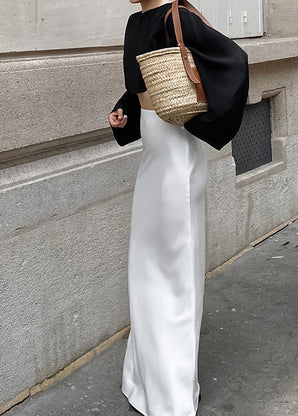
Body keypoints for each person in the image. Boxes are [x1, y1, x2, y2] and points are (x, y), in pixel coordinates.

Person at [108, 1, 249, 415]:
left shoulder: (180, 16)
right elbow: (145, 83)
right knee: (146, 268)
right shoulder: (136, 22)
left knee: (175, 273)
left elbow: (234, 62)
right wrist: (125, 114)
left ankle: (172, 396)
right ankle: (144, 381)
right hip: (153, 160)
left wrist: (198, 122)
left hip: (176, 161)